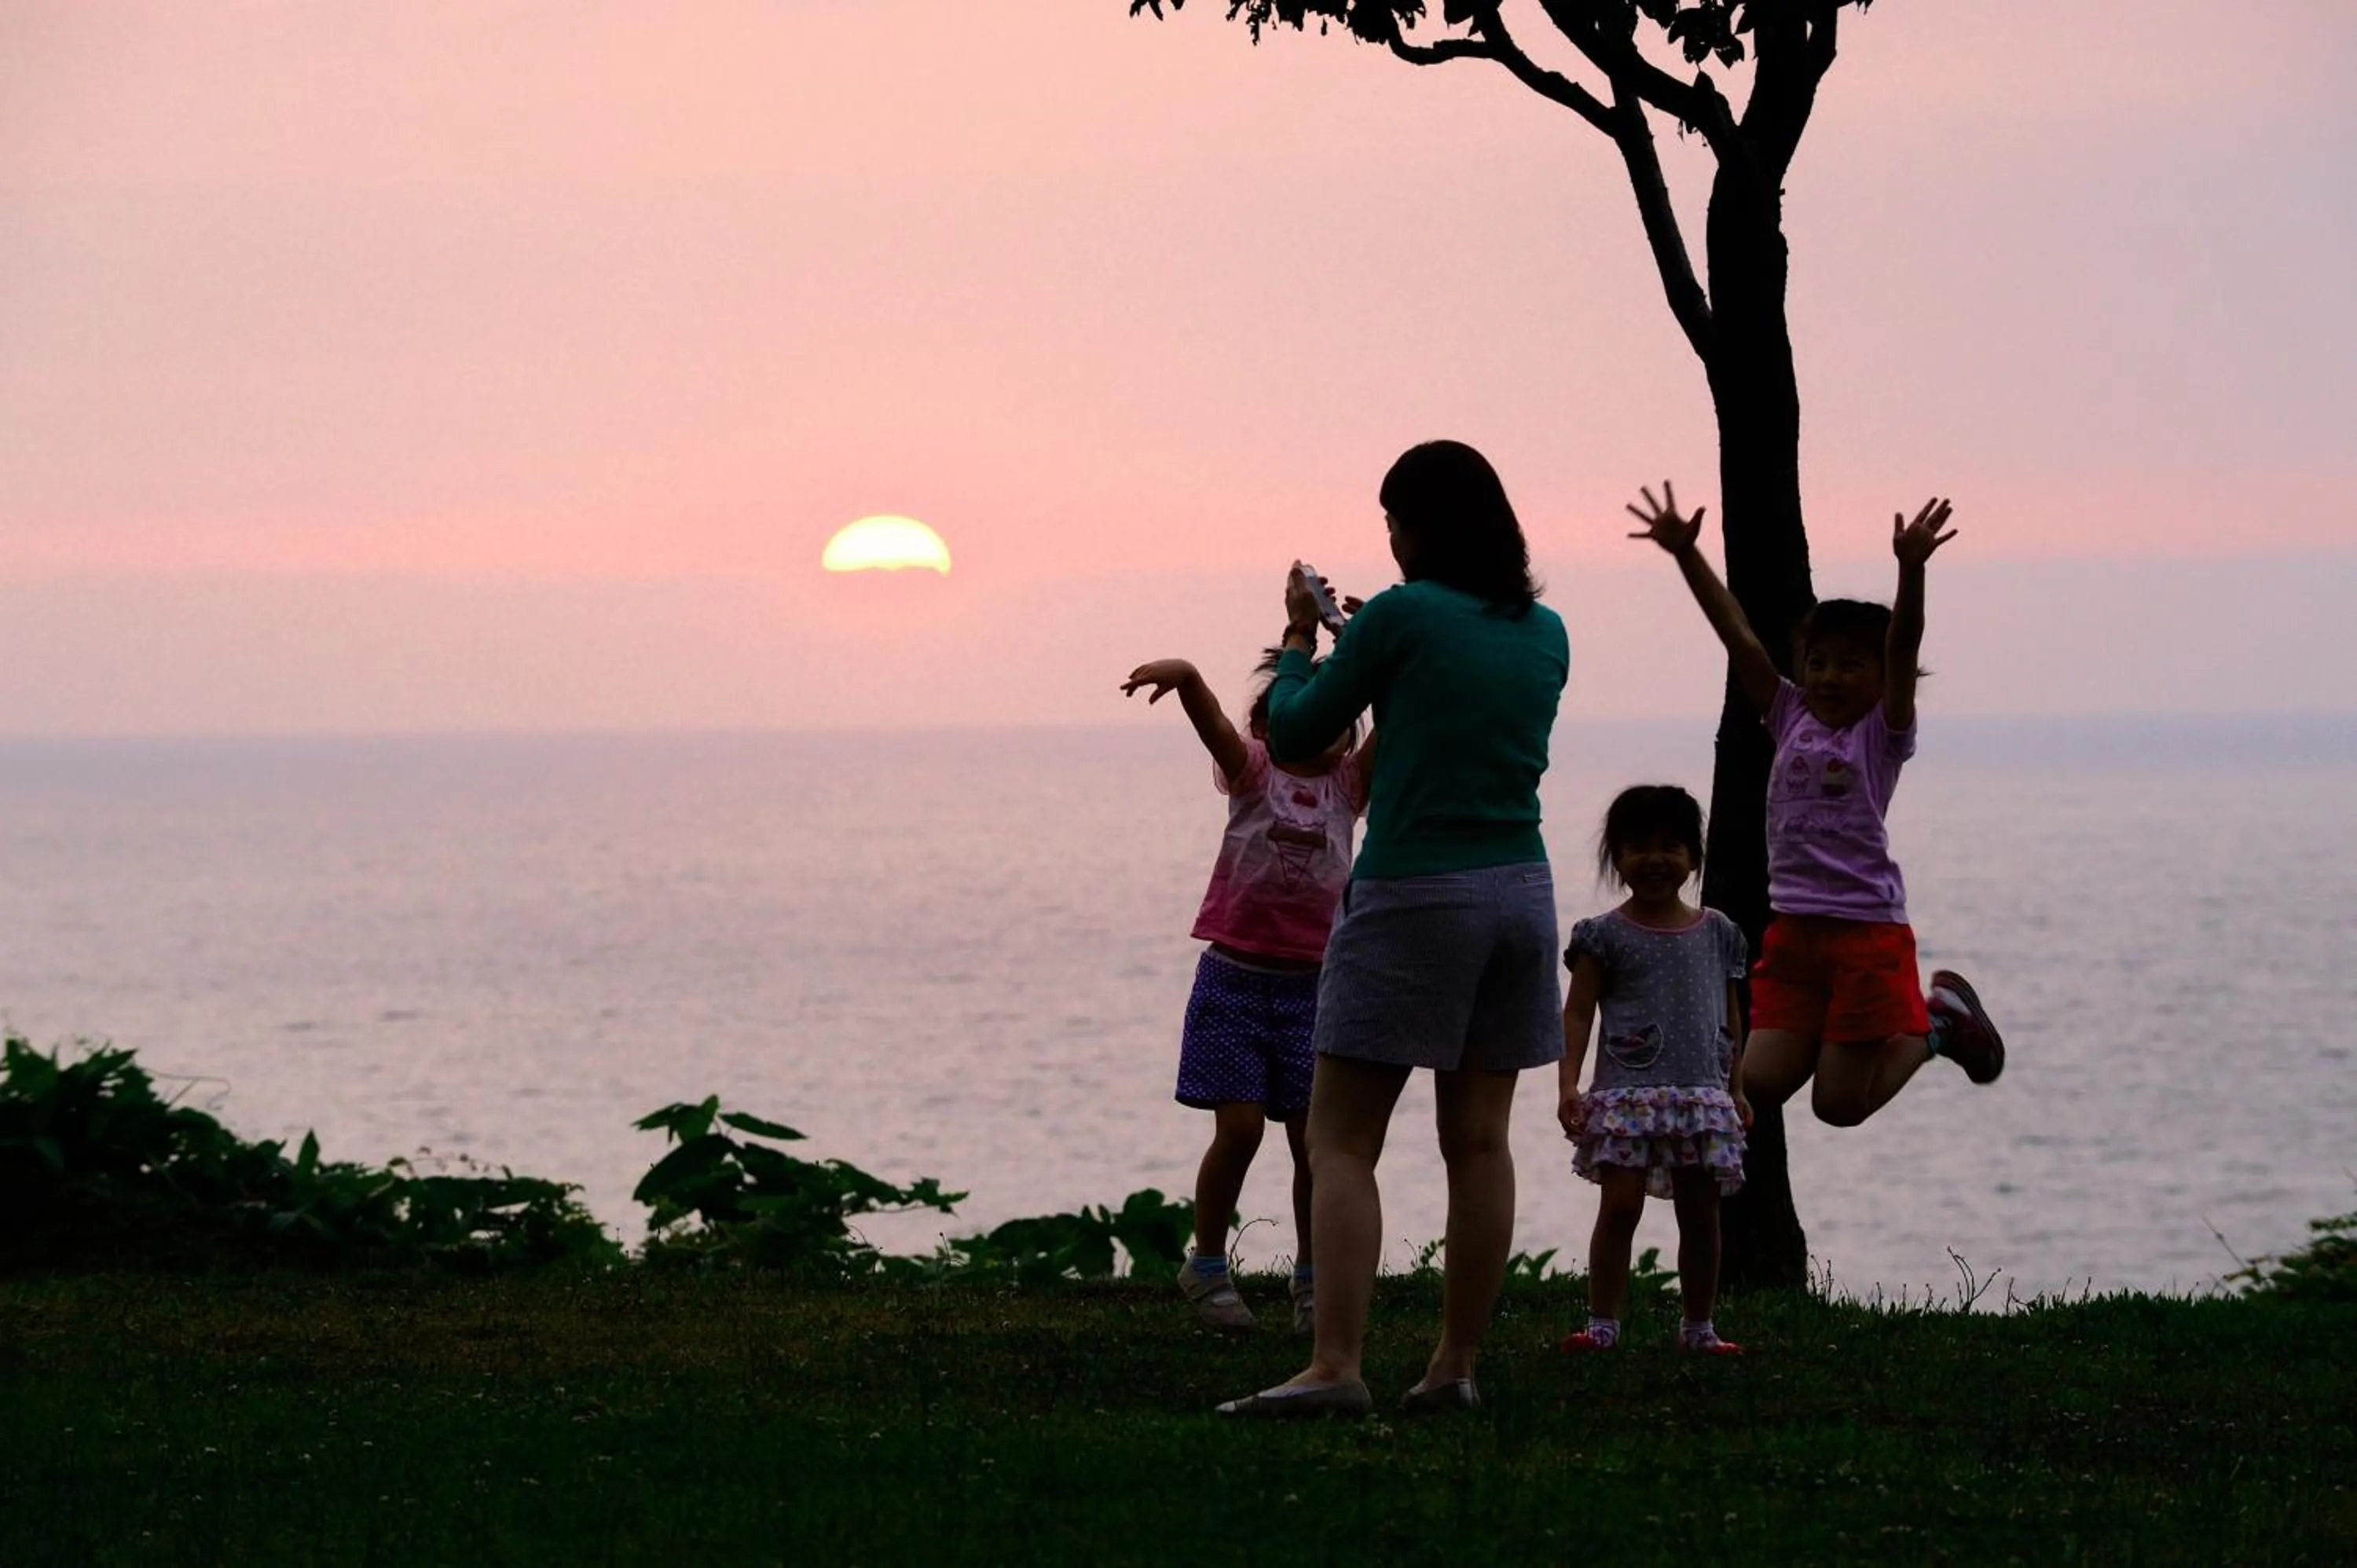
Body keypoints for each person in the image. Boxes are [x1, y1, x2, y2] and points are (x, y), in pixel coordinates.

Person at [1212, 439, 1570, 1419]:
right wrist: (1386, 643)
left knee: (1339, 1140)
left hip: (1418, 891)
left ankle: (1335, 1364)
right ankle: (1454, 1365)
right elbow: (1455, 705)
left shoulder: (1406, 617)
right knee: (1482, 1142)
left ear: (1420, 526)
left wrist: (1301, 641)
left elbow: (1291, 733)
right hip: (1521, 895)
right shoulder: (1546, 630)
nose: (1392, 539)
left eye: (1393, 522)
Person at [1627, 482, 2006, 1135]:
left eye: (1850, 665)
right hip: (1795, 933)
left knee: (1837, 1107)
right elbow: (1739, 639)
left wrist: (1911, 570)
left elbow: (1904, 644)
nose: (1829, 676)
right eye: (1819, 662)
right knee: (1758, 1082)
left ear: (1883, 680)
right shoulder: (1790, 713)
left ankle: (1938, 1022)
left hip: (1865, 937)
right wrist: (1687, 556)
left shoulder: (1880, 734)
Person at [1122, 647, 1373, 1333]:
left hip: (1314, 991)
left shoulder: (1349, 789)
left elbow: (1397, 722)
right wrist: (1189, 679)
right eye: (1298, 718)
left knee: (1311, 1144)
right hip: (1235, 981)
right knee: (1238, 1130)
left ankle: (1313, 1276)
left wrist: (1383, 643)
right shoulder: (1254, 774)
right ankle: (1205, 1264)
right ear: (1267, 727)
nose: (1320, 731)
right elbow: (1216, 731)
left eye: (1336, 719)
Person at [1556, 785, 1751, 1356]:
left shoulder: (1719, 932)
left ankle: (1699, 1327)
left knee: (1701, 1212)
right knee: (1619, 1207)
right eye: (1638, 846)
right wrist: (1569, 1085)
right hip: (1627, 1093)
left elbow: (1731, 1014)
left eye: (1672, 845)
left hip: (1701, 1093)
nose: (1656, 859)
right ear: (1616, 857)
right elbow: (1578, 1013)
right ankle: (1602, 1325)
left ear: (1694, 856)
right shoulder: (1602, 935)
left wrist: (1735, 1087)